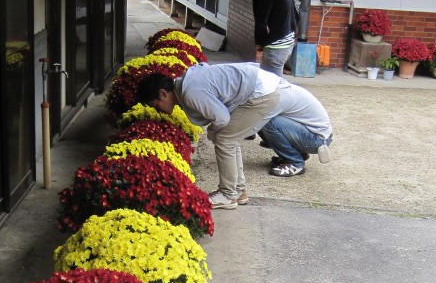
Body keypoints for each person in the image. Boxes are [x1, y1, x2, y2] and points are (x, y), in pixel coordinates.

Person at [136, 62, 333, 207]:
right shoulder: (186, 83)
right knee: (229, 136)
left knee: (225, 138)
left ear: (163, 93)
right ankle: (238, 191)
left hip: (262, 94)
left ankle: (228, 194)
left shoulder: (189, 92)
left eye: (155, 105)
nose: (158, 111)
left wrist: (213, 132)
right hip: (261, 87)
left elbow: (221, 118)